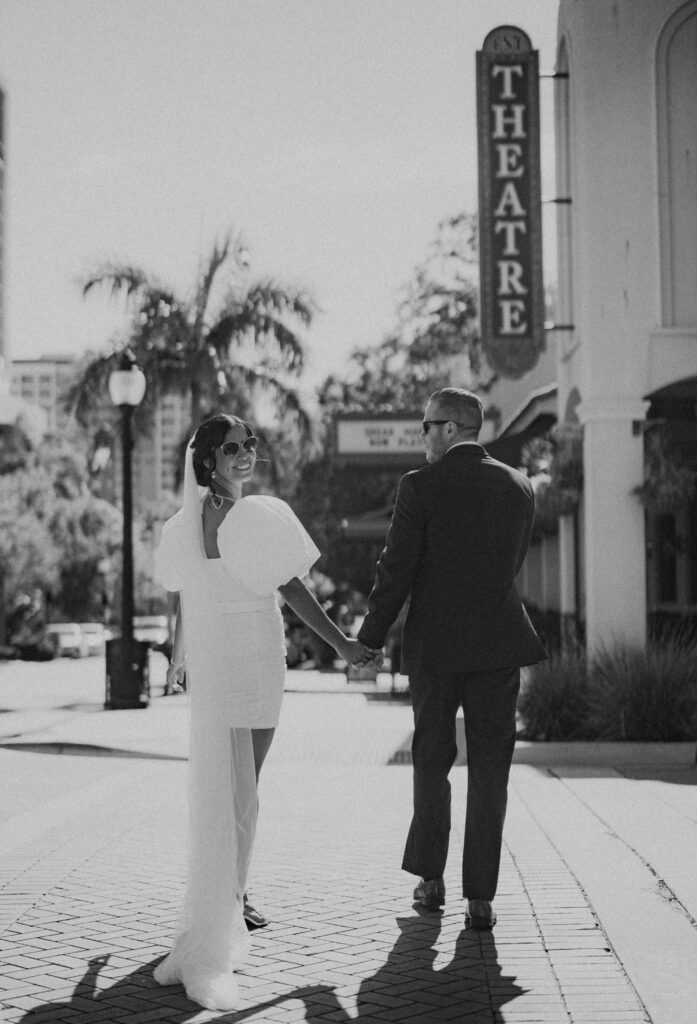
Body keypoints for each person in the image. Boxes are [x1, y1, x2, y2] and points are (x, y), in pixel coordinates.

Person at [153, 414, 375, 1011]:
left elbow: (185, 594)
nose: (246, 453)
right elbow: (294, 589)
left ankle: (222, 902)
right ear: (208, 462)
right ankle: (227, 908)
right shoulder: (255, 515)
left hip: (216, 660)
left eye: (250, 444)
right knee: (243, 791)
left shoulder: (182, 524)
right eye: (232, 448)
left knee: (223, 789)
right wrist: (343, 645)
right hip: (251, 658)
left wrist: (179, 656)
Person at [357, 387, 546, 931]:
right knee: (491, 769)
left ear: (449, 428)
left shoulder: (420, 487)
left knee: (431, 762)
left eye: (425, 426)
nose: (421, 437)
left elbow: (397, 569)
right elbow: (511, 562)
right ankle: (481, 897)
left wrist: (369, 639)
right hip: (498, 644)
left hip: (436, 647)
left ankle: (431, 879)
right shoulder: (520, 486)